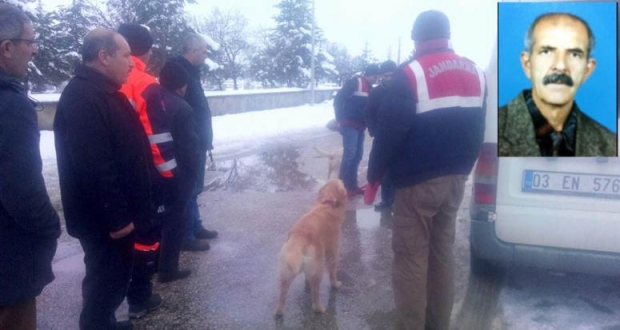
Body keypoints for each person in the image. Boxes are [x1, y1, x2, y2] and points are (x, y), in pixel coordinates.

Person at [366, 10, 486, 329]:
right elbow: (478, 128)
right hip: (456, 181)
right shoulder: (476, 72)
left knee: (410, 260)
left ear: (417, 39)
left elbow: (390, 134)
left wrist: (373, 178)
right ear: (447, 35)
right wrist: (463, 167)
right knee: (442, 254)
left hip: (417, 185)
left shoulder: (410, 75)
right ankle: (437, 324)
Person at [54, 28, 154, 330]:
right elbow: (94, 166)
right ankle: (98, 324)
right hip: (105, 223)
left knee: (111, 279)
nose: (132, 63)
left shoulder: (102, 91)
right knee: (104, 282)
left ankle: (105, 322)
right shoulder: (83, 98)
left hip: (113, 218)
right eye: (125, 56)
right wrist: (118, 219)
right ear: (103, 56)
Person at [0, 4, 61, 330]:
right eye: (30, 41)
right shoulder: (10, 106)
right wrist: (50, 227)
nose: (35, 49)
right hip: (8, 260)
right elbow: (22, 191)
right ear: (7, 48)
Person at [499, 12, 616, 157]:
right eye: (546, 52)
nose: (560, 66)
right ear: (527, 64)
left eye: (574, 54)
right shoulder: (493, 131)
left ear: (588, 70)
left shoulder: (612, 146)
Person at [117, 23, 163, 320]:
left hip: (112, 172)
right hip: (143, 172)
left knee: (117, 236)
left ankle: (112, 296)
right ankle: (140, 298)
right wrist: (167, 175)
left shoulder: (102, 80)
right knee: (146, 233)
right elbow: (156, 137)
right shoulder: (146, 82)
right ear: (145, 51)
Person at [142, 60, 201, 283]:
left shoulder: (150, 97)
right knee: (174, 222)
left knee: (156, 220)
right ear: (182, 85)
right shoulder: (182, 107)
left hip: (151, 171)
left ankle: (153, 262)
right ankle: (168, 269)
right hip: (176, 175)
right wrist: (190, 178)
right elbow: (189, 149)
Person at [170, 33, 218, 252]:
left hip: (198, 140)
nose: (206, 55)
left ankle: (194, 227)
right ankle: (186, 235)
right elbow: (178, 109)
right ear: (194, 50)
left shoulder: (192, 73)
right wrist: (193, 138)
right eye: (204, 51)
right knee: (188, 189)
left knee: (195, 188)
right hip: (189, 141)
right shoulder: (180, 72)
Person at [333, 63, 381, 197]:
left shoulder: (370, 88)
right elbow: (338, 100)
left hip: (360, 126)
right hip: (349, 124)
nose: (376, 80)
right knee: (350, 155)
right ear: (369, 74)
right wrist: (339, 120)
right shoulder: (355, 83)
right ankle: (340, 189)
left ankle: (352, 186)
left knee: (357, 156)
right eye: (375, 77)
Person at [365, 60, 397, 211]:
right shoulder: (376, 93)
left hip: (400, 136)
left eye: (392, 75)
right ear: (382, 76)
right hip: (382, 137)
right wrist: (373, 131)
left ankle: (398, 200)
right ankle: (386, 199)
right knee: (383, 170)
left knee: (398, 169)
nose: (389, 78)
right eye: (386, 75)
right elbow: (369, 113)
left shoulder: (402, 90)